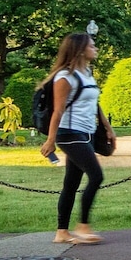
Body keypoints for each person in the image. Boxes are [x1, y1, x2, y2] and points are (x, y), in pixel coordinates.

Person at [39, 33, 110, 245]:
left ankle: (61, 232)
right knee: (96, 176)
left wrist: (107, 128)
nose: (95, 48)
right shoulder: (64, 77)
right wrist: (51, 140)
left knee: (71, 183)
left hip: (86, 133)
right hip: (69, 134)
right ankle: (82, 226)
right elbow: (58, 111)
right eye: (92, 46)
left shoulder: (87, 73)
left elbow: (94, 104)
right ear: (80, 50)